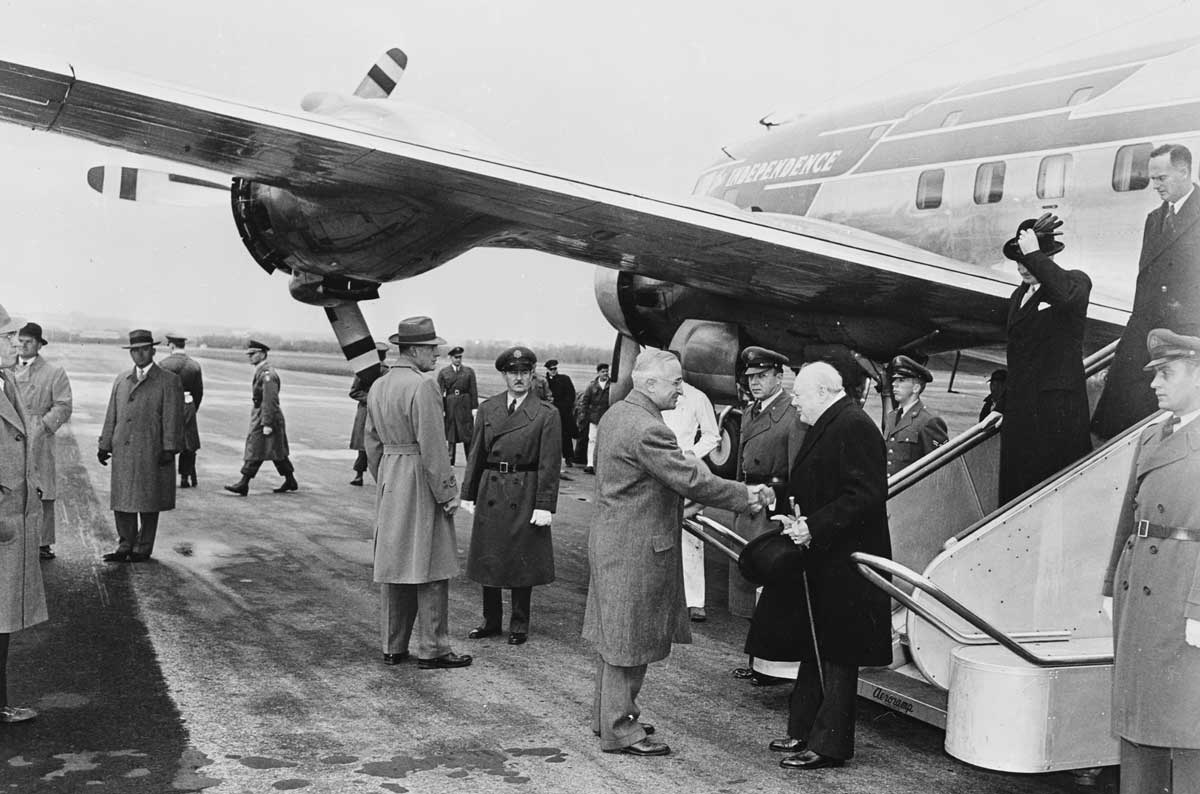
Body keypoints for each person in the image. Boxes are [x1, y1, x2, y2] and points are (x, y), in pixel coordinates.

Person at [582, 348, 770, 757]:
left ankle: (609, 716)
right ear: (649, 383)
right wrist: (748, 495)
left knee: (614, 636)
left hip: (615, 540)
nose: (682, 391)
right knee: (628, 641)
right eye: (676, 382)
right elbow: (691, 481)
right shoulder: (650, 429)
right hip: (636, 548)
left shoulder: (617, 415)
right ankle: (621, 730)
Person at [767, 361, 892, 770]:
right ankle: (804, 731)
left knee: (837, 653)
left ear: (822, 391)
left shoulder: (852, 424)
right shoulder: (834, 420)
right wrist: (790, 509)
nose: (796, 402)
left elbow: (866, 494)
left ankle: (829, 745)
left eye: (800, 395)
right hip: (826, 557)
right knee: (817, 645)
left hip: (845, 562)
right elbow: (824, 484)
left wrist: (814, 528)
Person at [1101, 328, 1200, 794]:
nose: (1155, 384)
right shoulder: (1152, 435)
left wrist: (1199, 608)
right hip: (1140, 584)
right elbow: (1129, 517)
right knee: (1137, 719)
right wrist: (1108, 586)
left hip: (1183, 590)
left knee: (1185, 726)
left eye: (1167, 373)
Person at [365, 317, 471, 670]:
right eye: (431, 349)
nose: (437, 354)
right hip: (419, 478)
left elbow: (372, 442)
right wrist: (447, 492)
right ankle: (433, 648)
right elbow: (433, 446)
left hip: (391, 477)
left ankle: (393, 646)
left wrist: (385, 477)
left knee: (395, 566)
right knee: (431, 565)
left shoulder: (379, 384)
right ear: (414, 350)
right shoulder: (423, 386)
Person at [1093, 144, 1200, 441]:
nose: (1155, 186)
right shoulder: (1154, 219)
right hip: (1144, 331)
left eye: (1162, 178)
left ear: (1184, 171)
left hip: (1182, 336)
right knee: (1118, 417)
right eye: (1153, 179)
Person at [461, 346, 561, 645]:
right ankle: (490, 621)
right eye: (513, 373)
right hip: (491, 487)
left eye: (524, 373)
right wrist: (468, 492)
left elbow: (550, 463)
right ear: (504, 375)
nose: (519, 378)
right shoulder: (489, 408)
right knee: (488, 557)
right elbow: (476, 452)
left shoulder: (547, 414)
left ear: (533, 376)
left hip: (525, 488)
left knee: (521, 558)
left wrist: (545, 504)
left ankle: (519, 623)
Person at [998, 214, 1092, 503]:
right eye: (1018, 260)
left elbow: (1063, 295)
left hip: (1055, 416)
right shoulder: (1019, 295)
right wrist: (1001, 405)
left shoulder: (1075, 282)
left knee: (1052, 494)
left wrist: (1034, 254)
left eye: (1027, 260)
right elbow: (1017, 357)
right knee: (1017, 492)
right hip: (1022, 414)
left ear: (1046, 257)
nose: (1022, 268)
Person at [730, 346, 806, 687]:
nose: (755, 383)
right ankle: (756, 658)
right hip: (748, 503)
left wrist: (781, 505)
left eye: (762, 376)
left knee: (769, 586)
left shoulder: (792, 413)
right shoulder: (749, 411)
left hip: (771, 510)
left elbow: (799, 467)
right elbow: (741, 464)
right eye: (751, 378)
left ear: (779, 376)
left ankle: (771, 664)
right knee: (748, 581)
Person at [97, 330, 183, 562]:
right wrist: (104, 444)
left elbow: (173, 417)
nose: (139, 354)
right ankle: (125, 545)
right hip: (123, 450)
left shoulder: (168, 380)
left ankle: (142, 548)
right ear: (130, 352)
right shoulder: (121, 380)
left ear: (153, 351)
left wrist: (169, 447)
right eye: (135, 350)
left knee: (148, 500)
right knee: (123, 500)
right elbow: (111, 415)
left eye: (144, 349)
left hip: (150, 449)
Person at [0, 304, 48, 723]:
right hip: (1, 519)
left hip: (11, 516)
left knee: (2, 622)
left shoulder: (4, 381)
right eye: (5, 335)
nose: (14, 343)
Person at [660, 378, 720, 622]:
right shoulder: (653, 392)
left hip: (685, 468)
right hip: (656, 466)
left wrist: (691, 454)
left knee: (692, 533)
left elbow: (712, 435)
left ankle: (695, 601)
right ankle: (660, 597)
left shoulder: (697, 397)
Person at [14, 322, 72, 560]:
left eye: (29, 341)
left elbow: (64, 405)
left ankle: (42, 542)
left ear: (39, 344)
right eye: (21, 341)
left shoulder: (53, 372)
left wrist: (43, 426)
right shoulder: (6, 370)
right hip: (9, 435)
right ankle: (12, 540)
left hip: (39, 437)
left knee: (41, 488)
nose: (24, 346)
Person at [224, 340, 298, 496]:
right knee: (277, 451)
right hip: (263, 413)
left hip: (266, 415)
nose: (250, 357)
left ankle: (244, 483)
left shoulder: (267, 375)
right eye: (249, 354)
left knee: (255, 448)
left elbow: (270, 400)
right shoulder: (262, 372)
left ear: (263, 354)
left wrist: (267, 423)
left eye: (253, 354)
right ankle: (290, 480)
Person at [883, 355, 948, 477]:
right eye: (894, 380)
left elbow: (939, 468)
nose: (894, 384)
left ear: (916, 388)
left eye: (901, 380)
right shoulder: (892, 417)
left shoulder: (929, 421)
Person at [157, 334, 203, 489]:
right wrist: (192, 407)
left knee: (165, 437)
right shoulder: (194, 365)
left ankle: (163, 475)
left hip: (168, 404)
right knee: (189, 442)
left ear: (171, 346)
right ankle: (185, 476)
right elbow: (199, 392)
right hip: (188, 403)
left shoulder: (163, 364)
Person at [349, 343, 389, 486]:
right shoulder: (364, 371)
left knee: (380, 445)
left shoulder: (386, 372)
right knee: (363, 445)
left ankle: (378, 476)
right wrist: (371, 399)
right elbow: (354, 391)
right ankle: (359, 474)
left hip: (378, 411)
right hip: (367, 411)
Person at [437, 346, 478, 465]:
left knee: (467, 432)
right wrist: (442, 408)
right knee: (451, 432)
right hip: (450, 405)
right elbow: (439, 392)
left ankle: (470, 460)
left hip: (465, 404)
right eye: (456, 357)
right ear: (450, 358)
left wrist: (474, 407)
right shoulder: (444, 372)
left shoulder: (469, 372)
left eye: (460, 357)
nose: (458, 360)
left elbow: (473, 390)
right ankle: (450, 460)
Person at [577, 363, 611, 473]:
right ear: (598, 373)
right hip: (594, 418)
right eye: (603, 371)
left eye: (606, 371)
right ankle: (590, 464)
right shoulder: (591, 386)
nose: (605, 373)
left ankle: (601, 465)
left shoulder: (612, 386)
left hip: (606, 418)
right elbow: (585, 402)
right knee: (592, 440)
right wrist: (583, 415)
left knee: (604, 441)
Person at [545, 359, 577, 468]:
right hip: (549, 412)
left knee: (566, 436)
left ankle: (568, 458)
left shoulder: (565, 379)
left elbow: (571, 395)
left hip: (564, 413)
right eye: (551, 369)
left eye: (555, 368)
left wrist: (564, 407)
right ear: (547, 370)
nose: (553, 371)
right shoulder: (544, 381)